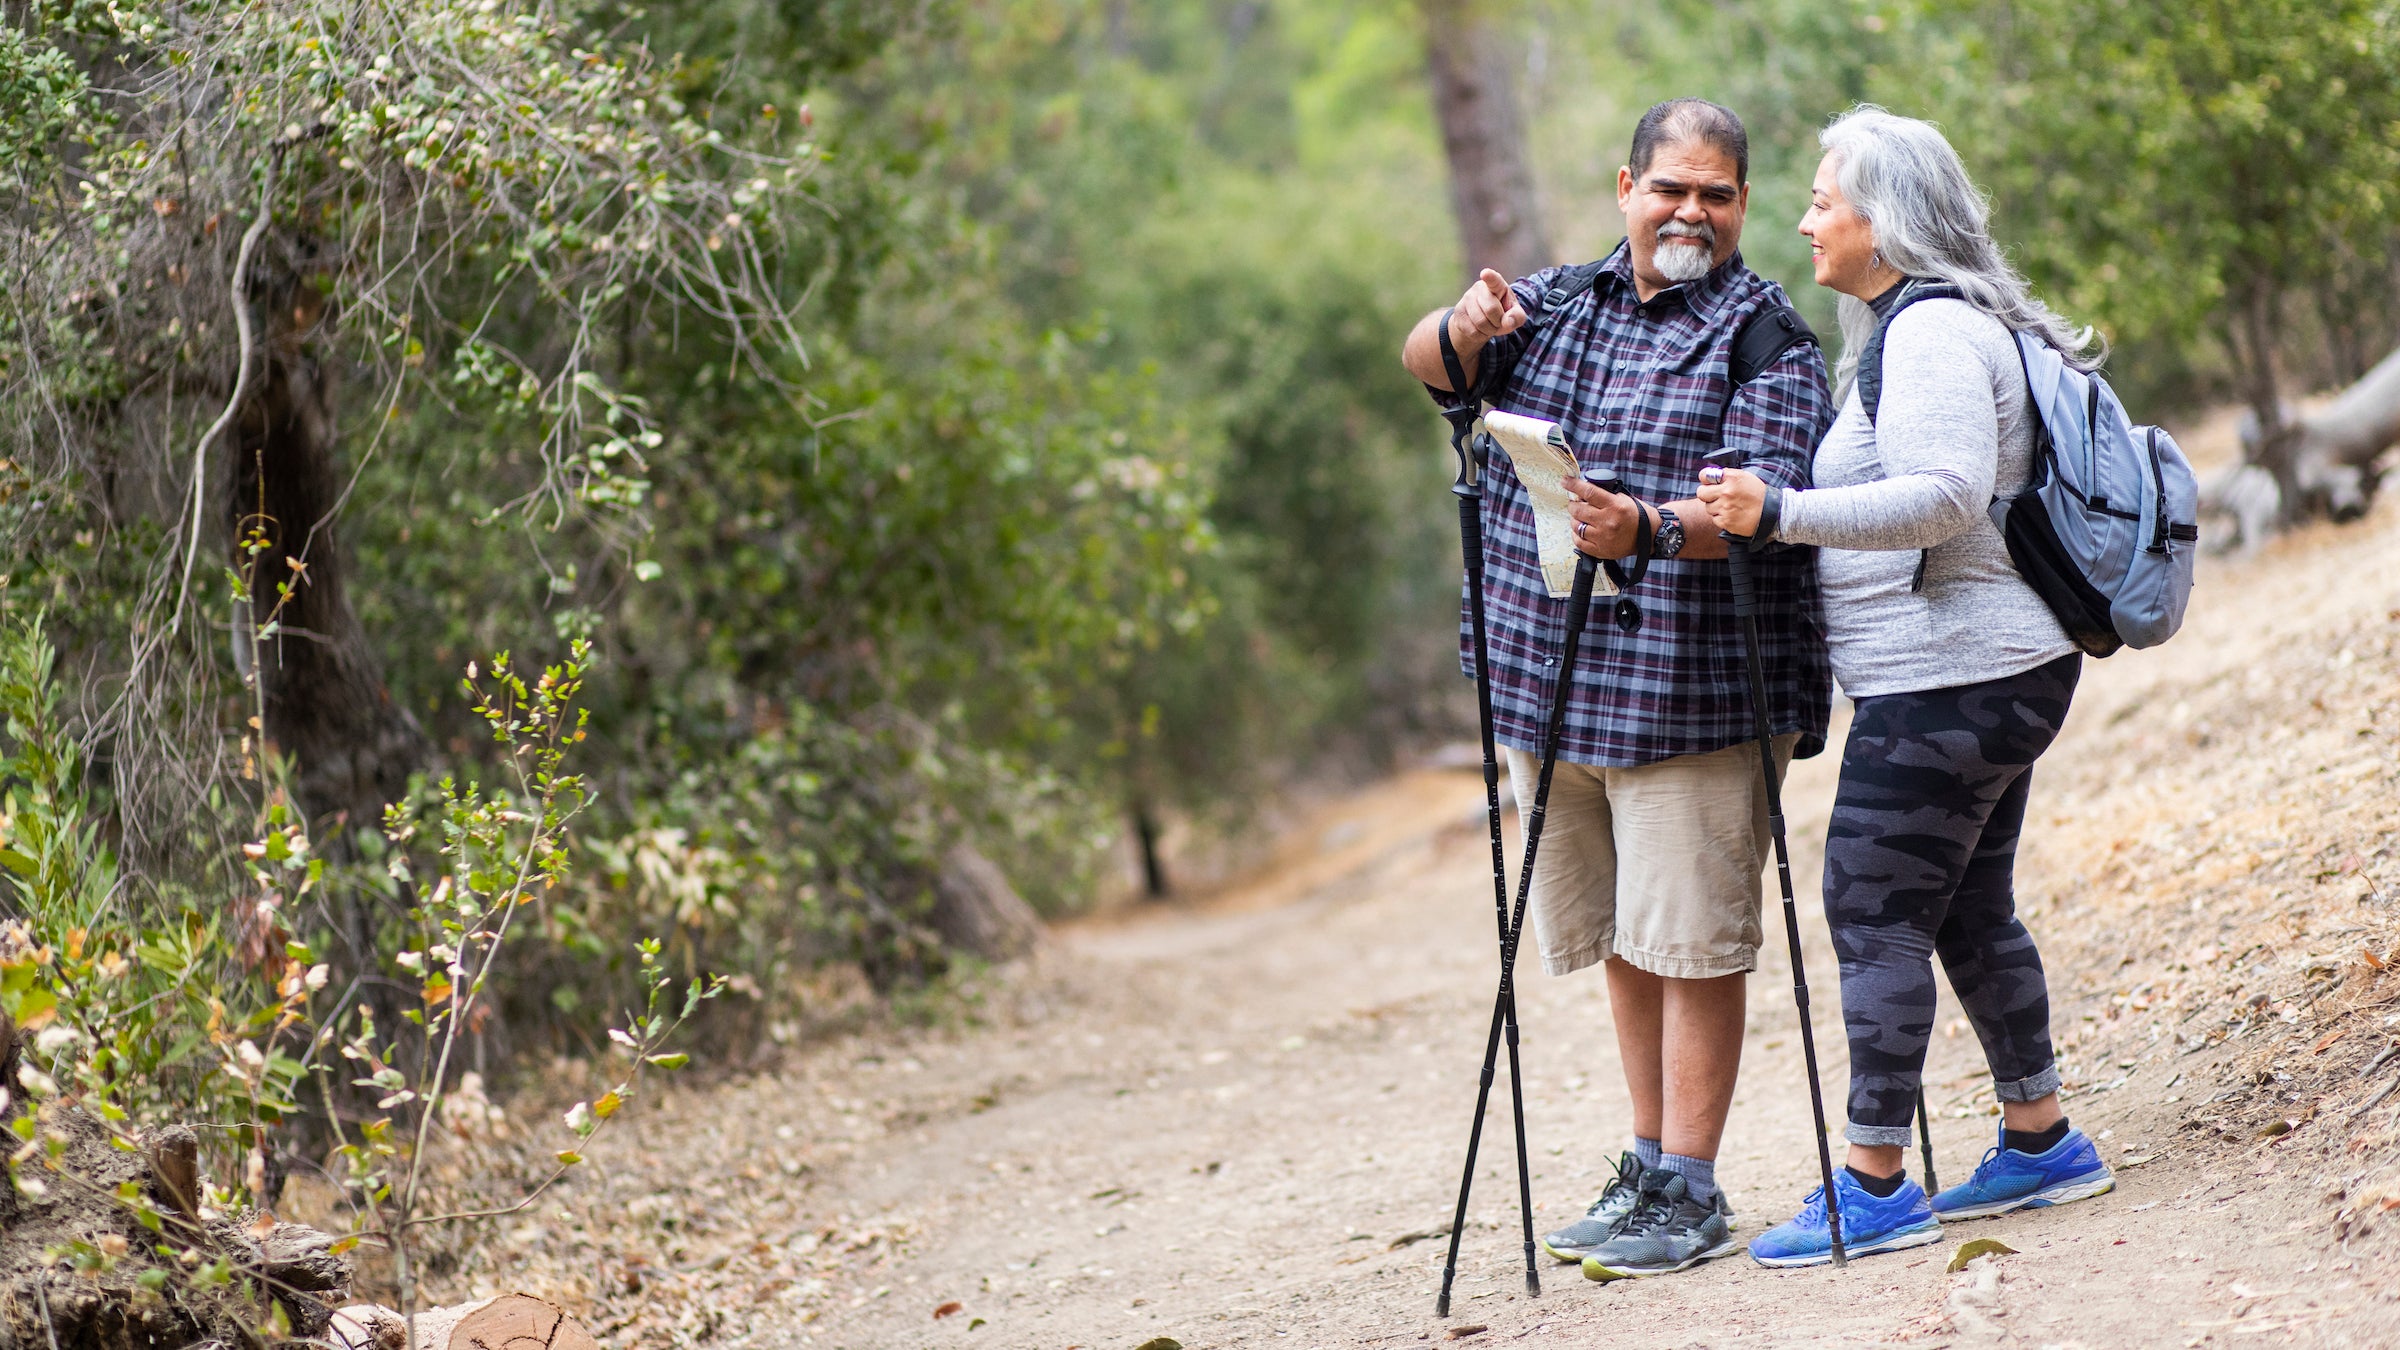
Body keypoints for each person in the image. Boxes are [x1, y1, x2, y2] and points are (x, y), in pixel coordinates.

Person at [1399, 98, 1835, 1282]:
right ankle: (1646, 1166)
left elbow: (1766, 506)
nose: (1691, 211)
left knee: (1693, 940)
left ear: (1742, 205)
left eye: (1717, 193)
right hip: (1554, 683)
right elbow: (1429, 366)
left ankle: (1689, 1189)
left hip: (1698, 692)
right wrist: (1465, 321)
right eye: (1671, 188)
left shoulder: (1768, 336)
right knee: (1629, 940)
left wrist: (1648, 528)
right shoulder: (1557, 303)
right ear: (1627, 187)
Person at [1697, 105, 2116, 1268]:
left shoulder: (1930, 335)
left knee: (1873, 910)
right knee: (1969, 908)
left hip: (1957, 680)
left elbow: (1944, 494)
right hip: (1982, 676)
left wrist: (1780, 514)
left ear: (1884, 222)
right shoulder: (1911, 327)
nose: (1805, 218)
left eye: (1824, 199)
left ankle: (1876, 1182)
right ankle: (2040, 1142)